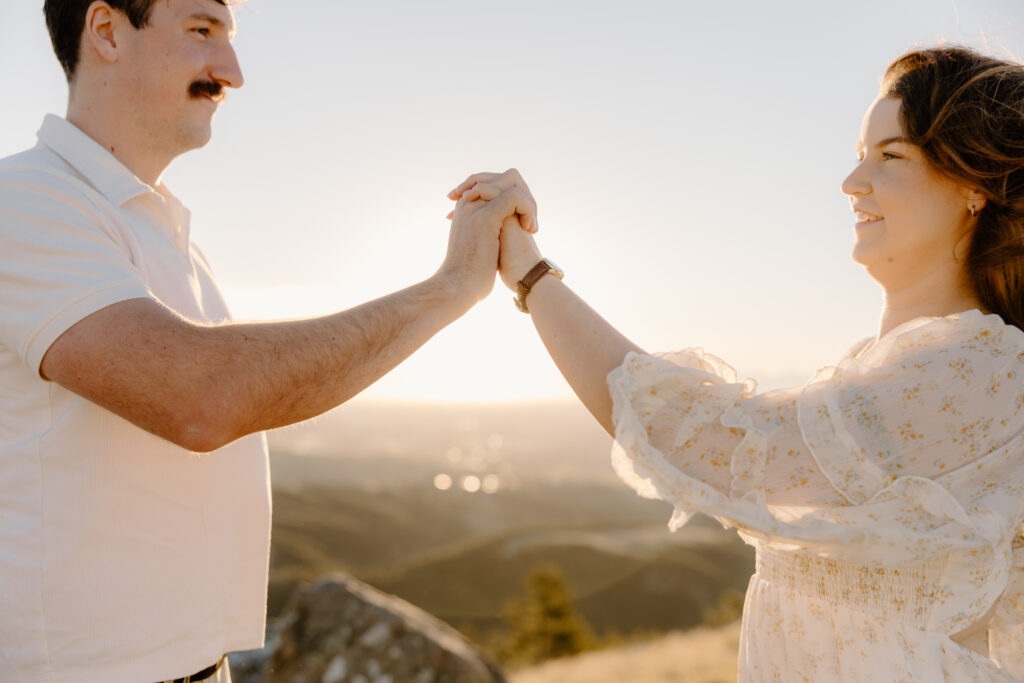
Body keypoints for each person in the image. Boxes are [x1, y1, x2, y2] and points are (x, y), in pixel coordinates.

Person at [450, 46, 1024, 680]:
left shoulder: (980, 370)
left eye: (890, 156)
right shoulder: (911, 365)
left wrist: (531, 274)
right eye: (859, 155)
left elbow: (703, 439)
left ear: (975, 186)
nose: (852, 182)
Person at [0, 1, 532, 681]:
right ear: (106, 30)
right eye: (203, 30)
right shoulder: (23, 199)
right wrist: (451, 288)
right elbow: (198, 395)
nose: (233, 72)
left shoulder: (157, 231)